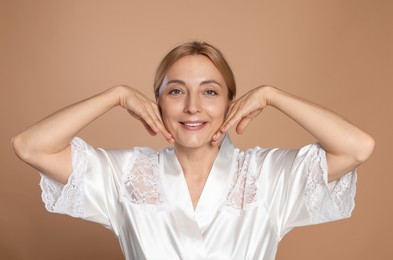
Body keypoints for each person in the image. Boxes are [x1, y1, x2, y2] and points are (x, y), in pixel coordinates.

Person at [12, 41, 374, 260]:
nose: (193, 107)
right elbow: (29, 146)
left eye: (211, 91)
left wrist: (271, 95)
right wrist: (116, 95)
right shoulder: (126, 175)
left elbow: (357, 147)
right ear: (156, 103)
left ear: (233, 102)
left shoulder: (265, 175)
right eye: (176, 91)